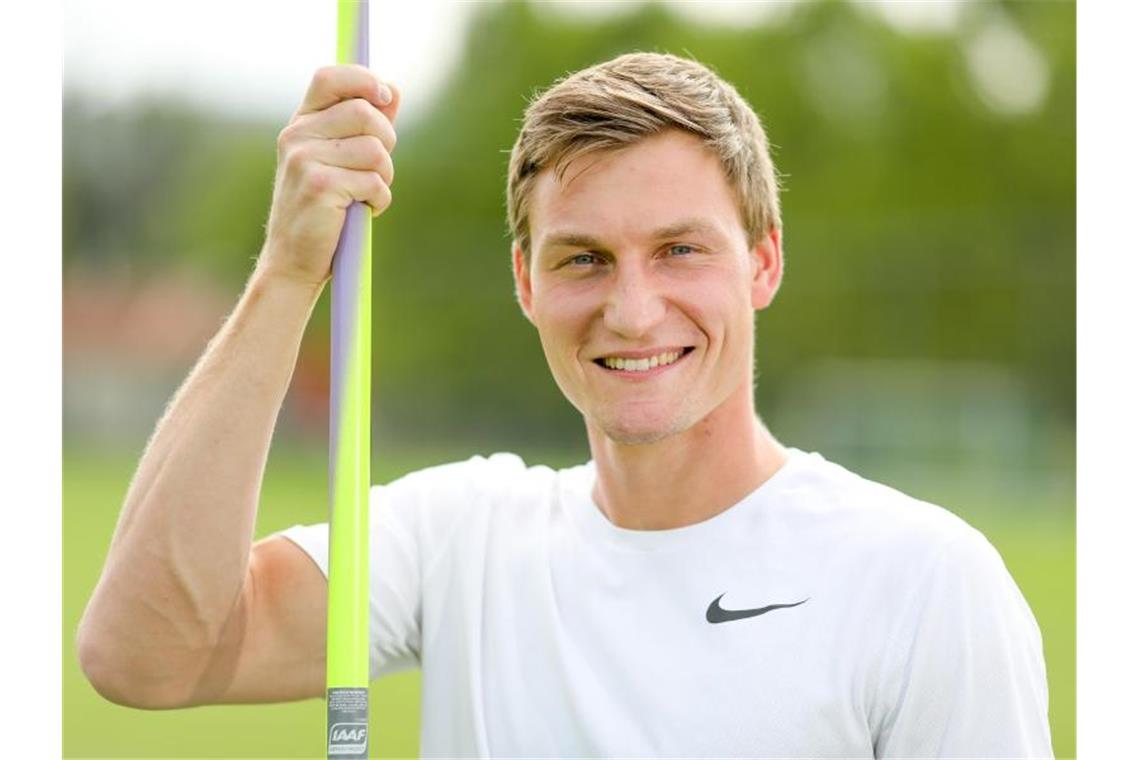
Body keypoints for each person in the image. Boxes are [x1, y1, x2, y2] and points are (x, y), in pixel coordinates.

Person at [76, 52, 1053, 758]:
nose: (632, 310)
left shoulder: (926, 582)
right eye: (583, 258)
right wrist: (289, 274)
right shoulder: (459, 536)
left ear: (764, 258)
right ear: (526, 282)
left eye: (679, 249)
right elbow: (142, 656)